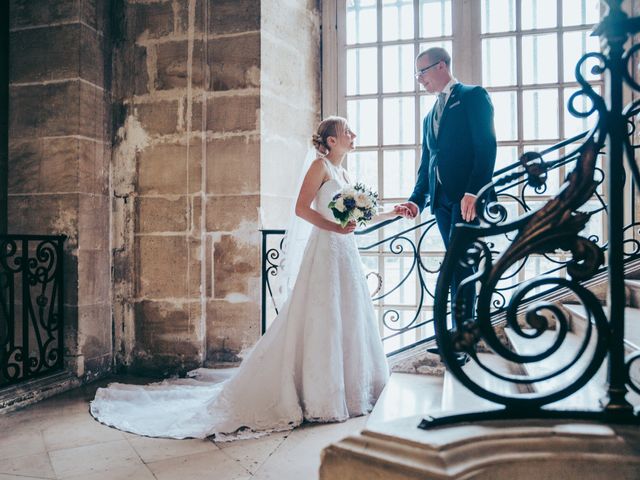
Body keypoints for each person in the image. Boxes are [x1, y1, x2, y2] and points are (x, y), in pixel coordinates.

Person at [90, 116, 391, 440]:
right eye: (347, 131)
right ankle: (320, 395)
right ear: (331, 140)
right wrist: (334, 228)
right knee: (322, 318)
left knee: (347, 318)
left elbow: (360, 216)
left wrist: (394, 212)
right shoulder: (320, 168)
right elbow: (302, 209)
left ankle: (348, 392)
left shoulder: (344, 173)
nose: (354, 135)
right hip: (325, 252)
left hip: (345, 254)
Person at [395, 47, 496, 366]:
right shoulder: (429, 116)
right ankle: (455, 337)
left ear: (440, 66)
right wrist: (416, 199)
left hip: (468, 200)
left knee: (463, 268)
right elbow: (428, 160)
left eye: (421, 73)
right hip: (440, 201)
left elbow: (486, 145)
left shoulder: (472, 96)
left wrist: (474, 191)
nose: (419, 80)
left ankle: (463, 342)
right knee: (454, 267)